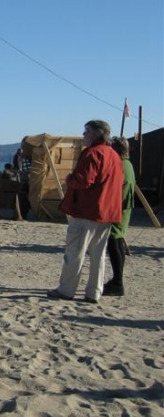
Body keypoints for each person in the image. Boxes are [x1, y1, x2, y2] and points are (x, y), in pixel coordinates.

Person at [48, 119, 123, 304]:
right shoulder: (114, 155)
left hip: (87, 210)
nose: (83, 135)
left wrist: (70, 179)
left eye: (86, 131)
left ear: (96, 133)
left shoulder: (93, 153)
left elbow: (83, 180)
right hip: (106, 212)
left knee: (75, 252)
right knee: (98, 254)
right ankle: (94, 292)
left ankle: (66, 289)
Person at [103, 136, 136, 296]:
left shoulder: (120, 165)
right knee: (118, 242)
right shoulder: (127, 164)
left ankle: (118, 282)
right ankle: (117, 280)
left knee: (114, 243)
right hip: (125, 207)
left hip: (119, 208)